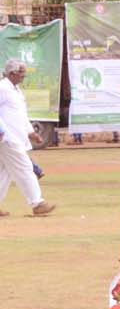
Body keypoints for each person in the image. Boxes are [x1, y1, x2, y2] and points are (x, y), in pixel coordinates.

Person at [0, 60, 54, 217]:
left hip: (16, 136)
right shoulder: (3, 88)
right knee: (25, 168)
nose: (23, 76)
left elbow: (20, 115)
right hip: (7, 137)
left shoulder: (16, 90)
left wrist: (31, 132)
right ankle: (37, 203)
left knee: (4, 172)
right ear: (11, 73)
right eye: (21, 73)